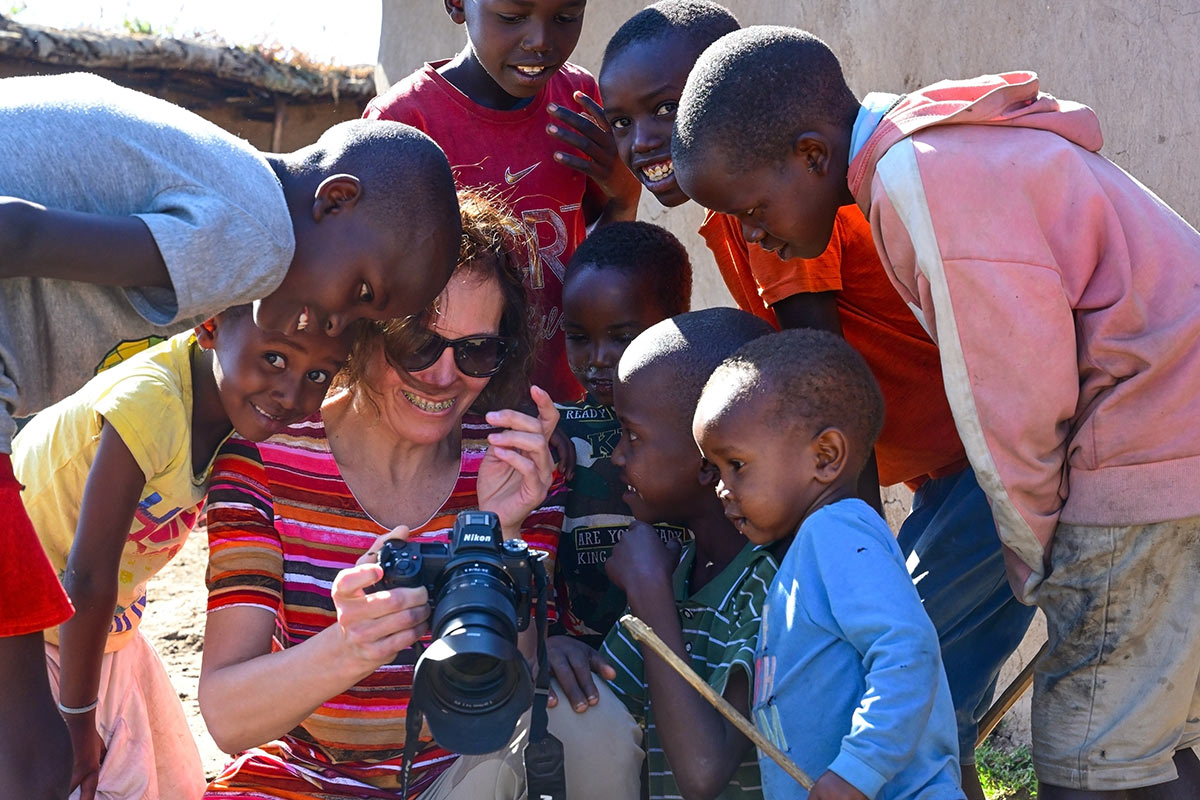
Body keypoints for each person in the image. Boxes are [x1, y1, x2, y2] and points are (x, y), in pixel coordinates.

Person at [672, 25, 1200, 800]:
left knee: (1092, 762)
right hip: (1174, 442)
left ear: (814, 156)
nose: (752, 234)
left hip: (1145, 447)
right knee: (1154, 742)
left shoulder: (917, 179)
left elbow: (1012, 389)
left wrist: (1034, 553)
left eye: (752, 207)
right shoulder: (934, 147)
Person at [551, 7, 1034, 793]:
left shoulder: (774, 215)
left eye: (667, 110)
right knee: (943, 693)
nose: (642, 141)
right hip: (951, 475)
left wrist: (843, 547)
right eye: (622, 120)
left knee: (910, 665)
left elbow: (828, 397)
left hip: (981, 469)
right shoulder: (746, 212)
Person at [0, 71, 458, 799]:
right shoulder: (260, 239)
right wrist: (77, 716)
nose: (336, 325)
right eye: (361, 294)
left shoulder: (230, 184)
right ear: (335, 200)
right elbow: (17, 229)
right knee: (32, 762)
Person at [198, 191, 642, 799]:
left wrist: (501, 534)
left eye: (476, 350)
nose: (442, 376)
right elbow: (228, 717)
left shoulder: (513, 466)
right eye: (419, 343)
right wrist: (350, 645)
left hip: (457, 778)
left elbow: (525, 685)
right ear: (362, 329)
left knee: (593, 730)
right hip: (305, 779)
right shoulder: (265, 461)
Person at [11, 306, 355, 800]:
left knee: (177, 784)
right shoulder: (151, 404)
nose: (291, 394)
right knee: (71, 777)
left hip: (102, 630)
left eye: (318, 374)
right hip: (29, 627)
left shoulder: (237, 409)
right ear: (210, 325)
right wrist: (78, 724)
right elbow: (86, 579)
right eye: (275, 358)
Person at [694, 328, 963, 800]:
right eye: (715, 470)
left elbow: (906, 648)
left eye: (736, 464)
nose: (721, 487)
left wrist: (858, 770)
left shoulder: (836, 534)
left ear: (825, 456)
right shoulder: (810, 548)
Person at [363, 0, 641, 402]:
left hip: (562, 405)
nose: (541, 41)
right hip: (447, 407)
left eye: (566, 17)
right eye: (512, 18)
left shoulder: (577, 101)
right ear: (458, 5)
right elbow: (380, 298)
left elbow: (605, 254)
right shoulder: (404, 123)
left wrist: (624, 195)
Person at [597, 308, 776, 800]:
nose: (617, 456)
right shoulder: (683, 568)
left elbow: (703, 773)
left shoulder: (768, 584)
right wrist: (567, 653)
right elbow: (606, 700)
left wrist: (648, 592)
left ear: (705, 462)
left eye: (632, 435)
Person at [548, 221, 692, 714]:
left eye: (622, 336)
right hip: (581, 674)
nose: (597, 360)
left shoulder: (706, 428)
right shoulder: (554, 432)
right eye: (579, 337)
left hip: (691, 659)